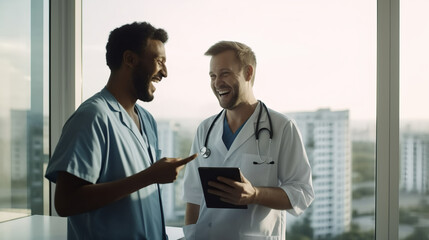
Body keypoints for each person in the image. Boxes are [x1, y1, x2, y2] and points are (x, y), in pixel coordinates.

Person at [45, 22, 196, 240]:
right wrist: (150, 176)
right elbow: (66, 202)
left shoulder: (147, 120)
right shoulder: (92, 117)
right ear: (130, 59)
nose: (165, 72)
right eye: (159, 61)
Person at [182, 41, 314, 240]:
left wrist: (255, 194)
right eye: (213, 76)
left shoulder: (283, 127)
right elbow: (193, 196)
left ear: (248, 73)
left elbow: (302, 193)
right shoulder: (205, 129)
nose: (217, 83)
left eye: (225, 73)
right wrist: (191, 235)